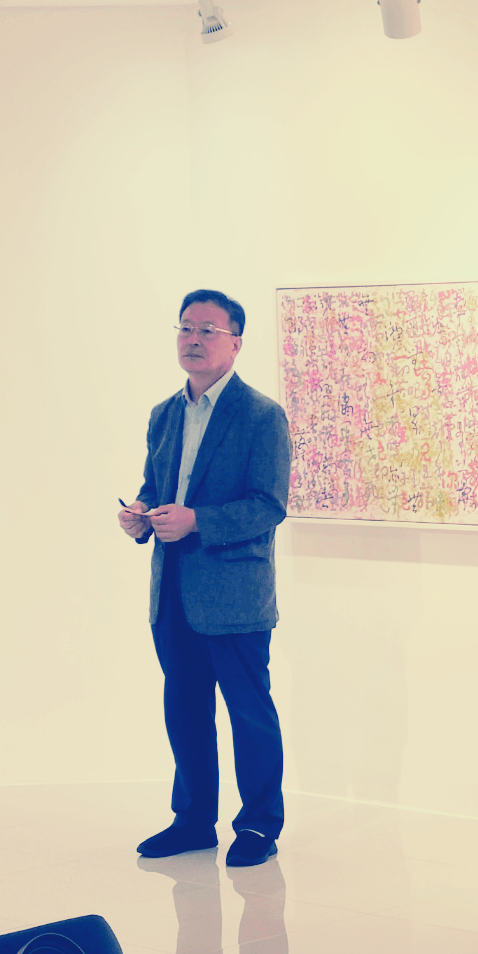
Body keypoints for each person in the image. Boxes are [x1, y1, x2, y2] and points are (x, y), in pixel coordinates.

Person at [117, 290, 292, 867]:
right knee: (185, 710)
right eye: (186, 328)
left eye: (208, 330)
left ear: (235, 343)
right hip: (172, 590)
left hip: (234, 595)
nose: (193, 339)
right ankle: (192, 821)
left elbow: (269, 505)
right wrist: (140, 513)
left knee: (249, 713)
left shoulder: (261, 415)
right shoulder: (163, 414)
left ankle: (259, 826)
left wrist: (198, 521)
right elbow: (155, 486)